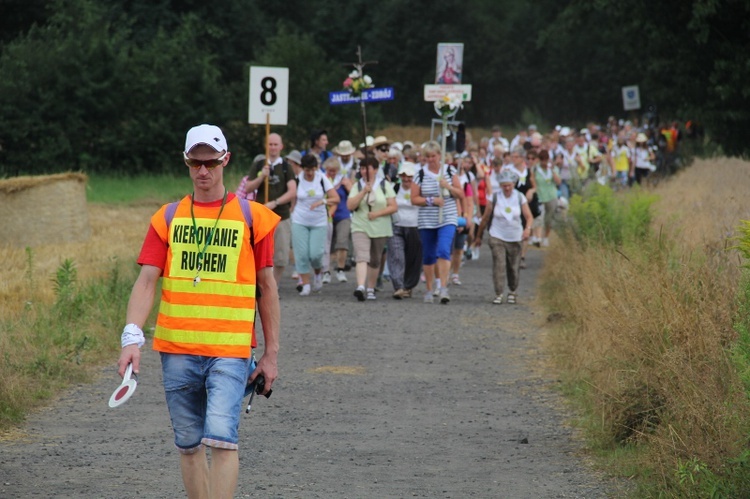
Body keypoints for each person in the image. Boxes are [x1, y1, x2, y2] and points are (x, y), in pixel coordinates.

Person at [117, 124, 280, 498]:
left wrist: (270, 355)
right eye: (195, 162)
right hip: (177, 351)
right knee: (188, 445)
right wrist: (131, 338)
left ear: (226, 161)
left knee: (223, 439)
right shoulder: (168, 218)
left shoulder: (254, 219)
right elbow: (145, 282)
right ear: (186, 162)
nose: (203, 171)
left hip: (230, 350)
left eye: (210, 162)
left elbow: (267, 289)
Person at [236, 133, 297, 285]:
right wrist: (262, 176)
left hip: (281, 216)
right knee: (259, 255)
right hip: (260, 218)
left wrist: (275, 202)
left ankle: (272, 286)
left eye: (276, 144)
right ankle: (260, 285)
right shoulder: (259, 164)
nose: (273, 147)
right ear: (266, 146)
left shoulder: (286, 167)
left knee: (281, 258)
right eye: (270, 144)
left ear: (281, 146)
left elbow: (292, 191)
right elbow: (248, 187)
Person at [411, 140, 464, 304]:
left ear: (439, 155)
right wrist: (431, 200)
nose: (431, 159)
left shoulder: (449, 170)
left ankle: (443, 287)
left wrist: (447, 186)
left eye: (433, 156)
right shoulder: (419, 174)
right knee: (428, 255)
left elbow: (460, 193)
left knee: (443, 250)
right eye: (428, 156)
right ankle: (428, 288)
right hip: (427, 220)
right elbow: (414, 198)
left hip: (447, 217)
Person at [475, 169, 533, 305]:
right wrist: (479, 235)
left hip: (515, 236)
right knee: (499, 264)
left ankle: (512, 291)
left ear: (514, 184)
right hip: (497, 235)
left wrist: (527, 229)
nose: (507, 188)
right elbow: (485, 218)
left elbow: (528, 216)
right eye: (504, 185)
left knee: (513, 267)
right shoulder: (494, 197)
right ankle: (499, 292)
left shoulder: (520, 197)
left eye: (509, 185)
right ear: (500, 185)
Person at [347, 156, 397, 301]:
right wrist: (363, 192)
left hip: (380, 226)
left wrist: (377, 214)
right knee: (362, 256)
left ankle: (370, 288)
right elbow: (350, 205)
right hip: (360, 224)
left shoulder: (384, 185)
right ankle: (361, 286)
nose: (365, 171)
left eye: (368, 168)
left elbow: (393, 206)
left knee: (375, 259)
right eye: (362, 168)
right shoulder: (357, 186)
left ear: (375, 170)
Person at [291, 154, 339, 296]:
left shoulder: (322, 179)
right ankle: (305, 284)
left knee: (316, 254)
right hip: (300, 220)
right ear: (302, 168)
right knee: (302, 254)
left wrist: (323, 202)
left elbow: (336, 198)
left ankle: (318, 273)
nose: (310, 173)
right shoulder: (297, 180)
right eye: (307, 170)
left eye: (312, 170)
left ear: (316, 168)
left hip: (319, 221)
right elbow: (292, 197)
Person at [387, 162, 422, 299]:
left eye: (409, 176)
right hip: (396, 226)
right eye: (403, 176)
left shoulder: (419, 189)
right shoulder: (394, 188)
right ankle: (399, 286)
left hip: (415, 226)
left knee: (412, 258)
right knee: (397, 256)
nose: (406, 179)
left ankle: (409, 285)